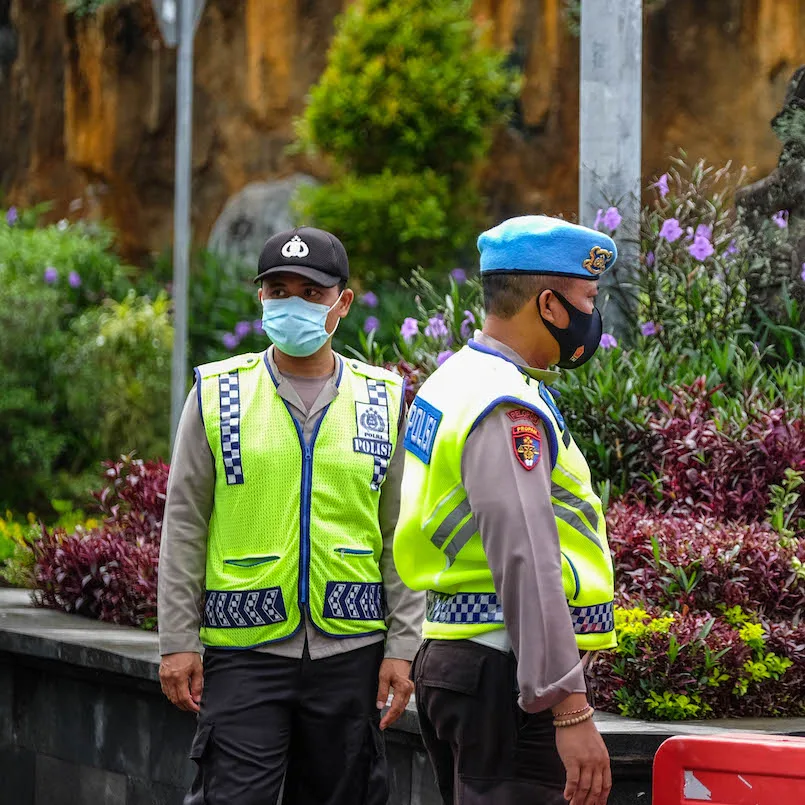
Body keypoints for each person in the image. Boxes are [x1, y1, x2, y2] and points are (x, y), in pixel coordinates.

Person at [157, 226, 424, 805]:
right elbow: (184, 523)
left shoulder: (384, 398)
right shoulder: (217, 393)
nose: (293, 303)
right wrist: (177, 640)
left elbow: (400, 531)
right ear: (261, 298)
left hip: (351, 654)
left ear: (342, 303)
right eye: (279, 289)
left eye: (311, 291)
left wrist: (404, 646)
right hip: (244, 653)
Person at [394, 216, 618, 805]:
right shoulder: (504, 404)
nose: (594, 318)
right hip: (507, 676)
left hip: (460, 657)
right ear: (548, 304)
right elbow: (527, 557)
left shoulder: (453, 381)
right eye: (589, 299)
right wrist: (568, 708)